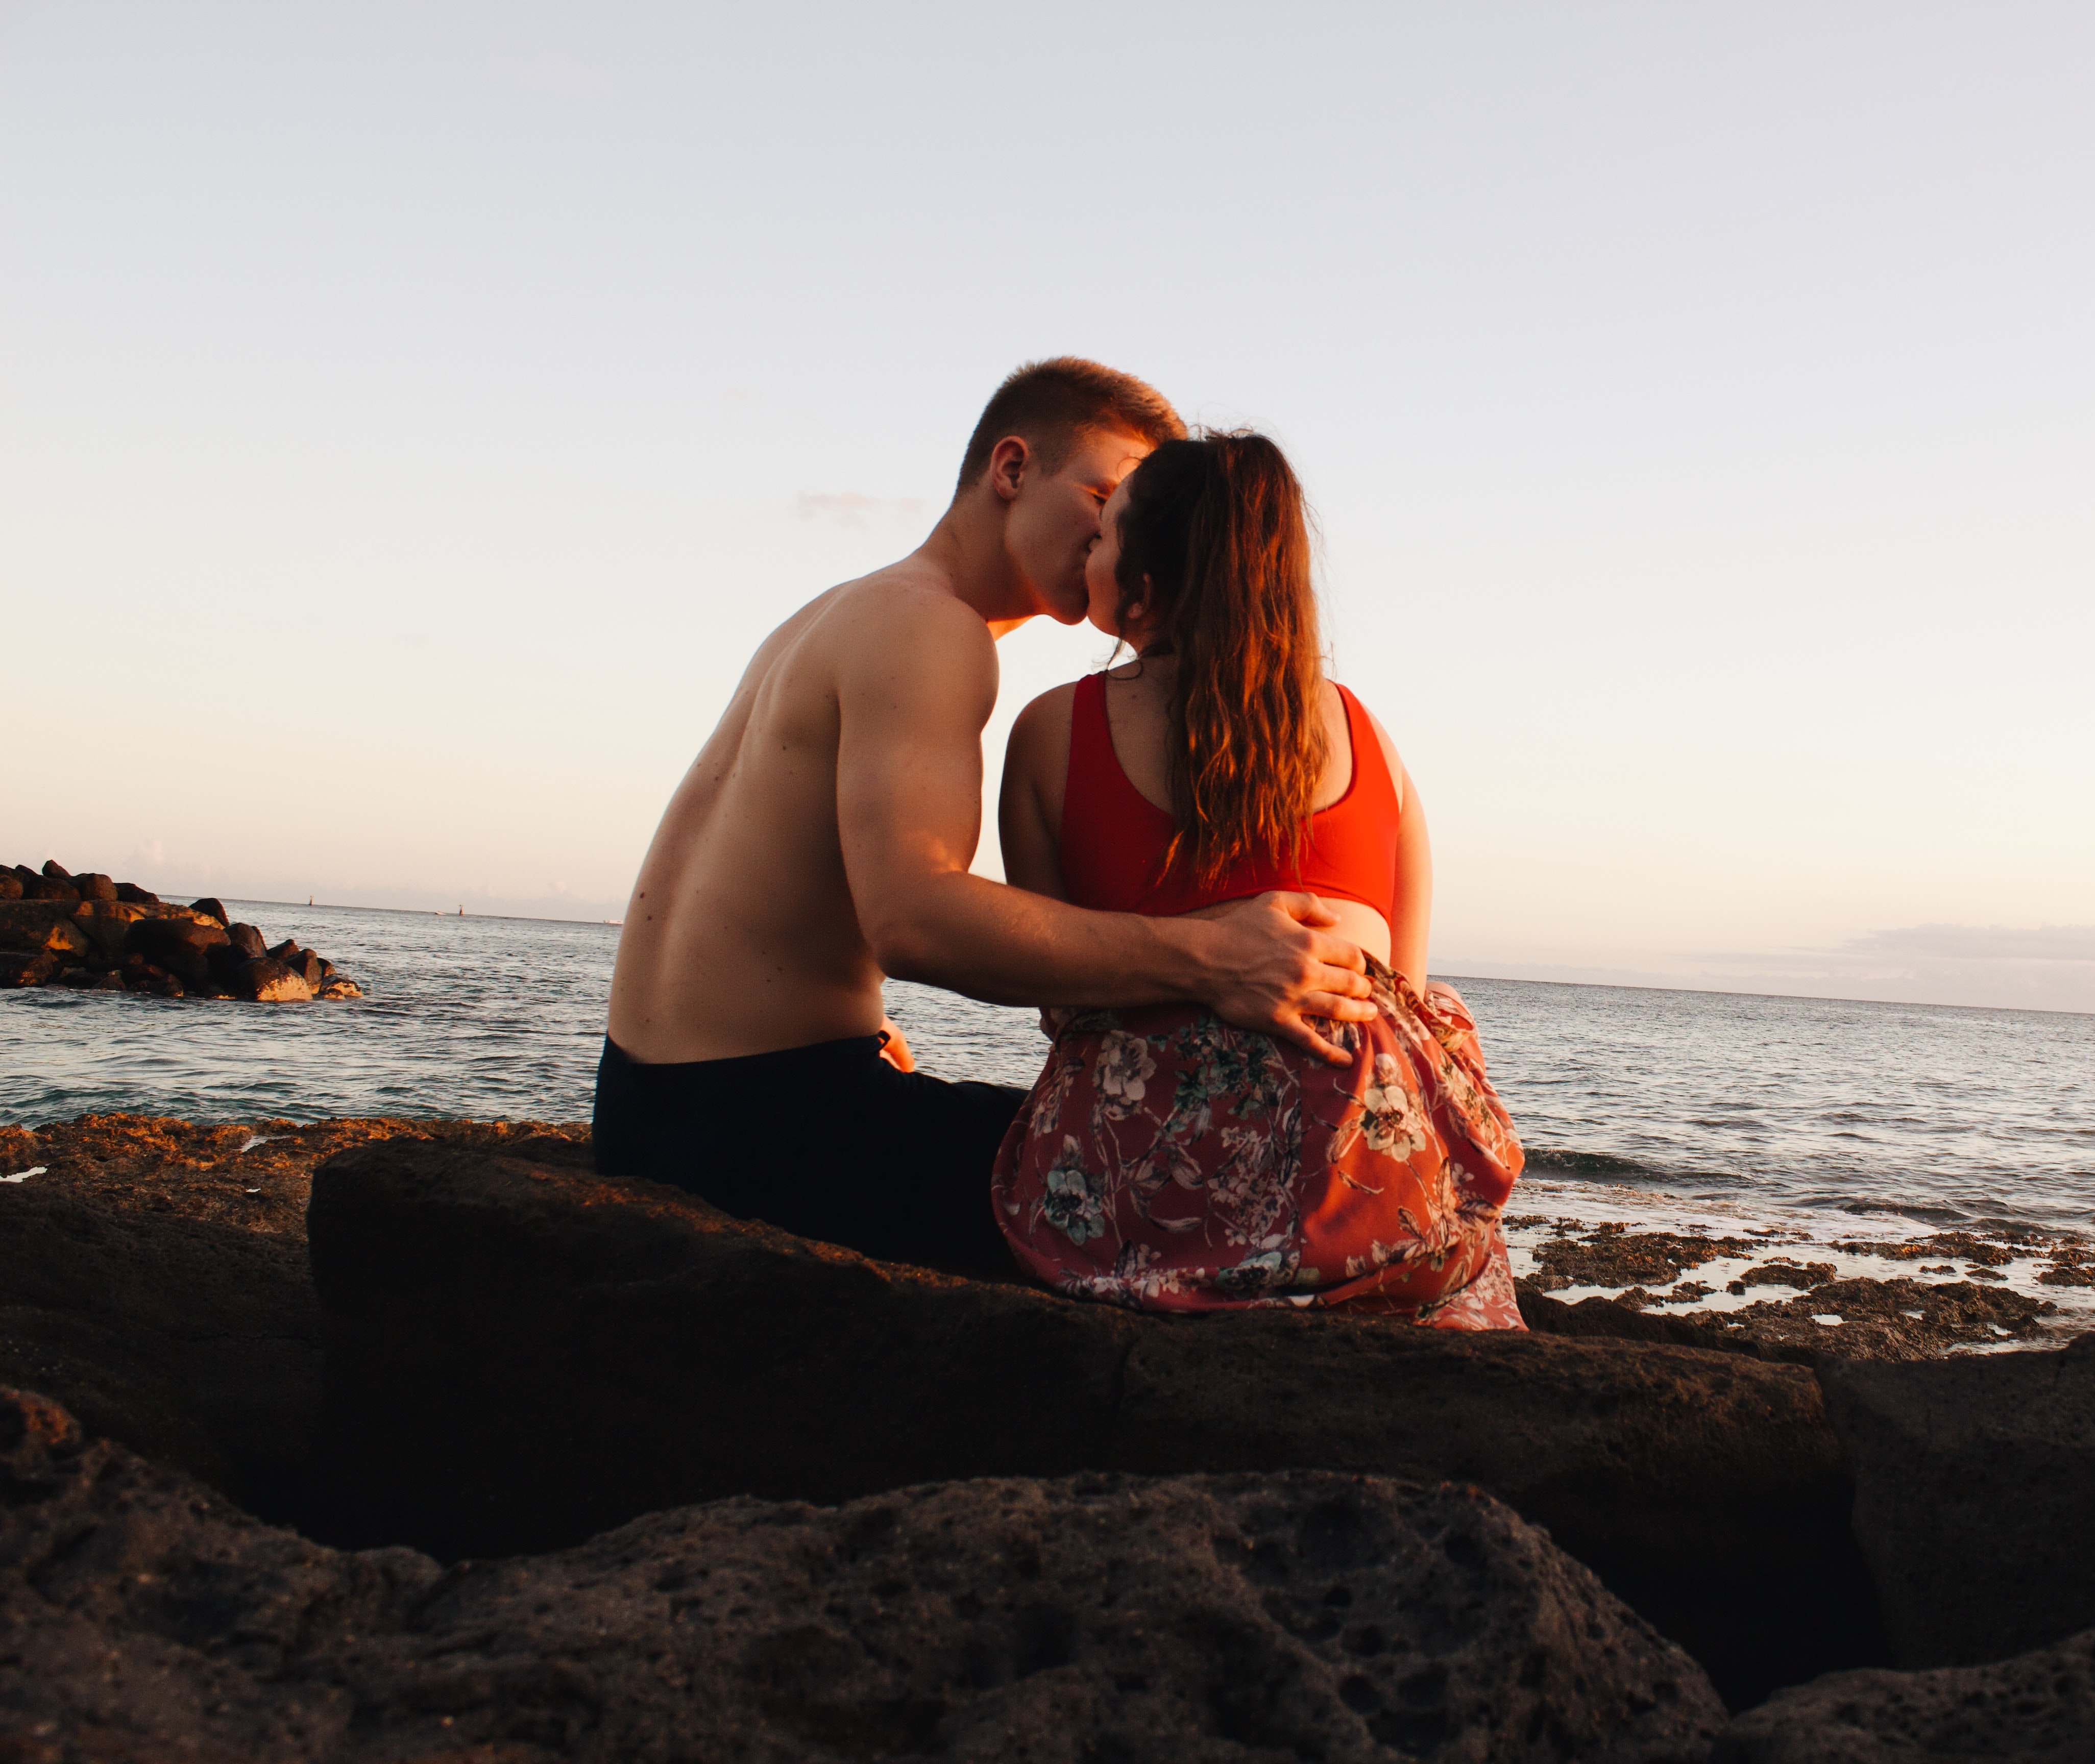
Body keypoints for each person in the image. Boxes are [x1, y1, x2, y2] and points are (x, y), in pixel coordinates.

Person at [594, 361, 1381, 1279]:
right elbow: (915, 921)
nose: (1117, 527)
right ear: (1012, 469)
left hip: (660, 1100)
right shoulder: (935, 630)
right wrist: (1215, 957)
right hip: (757, 1134)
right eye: (1103, 491)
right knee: (1182, 1190)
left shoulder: (850, 610)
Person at [991, 432, 1525, 1329]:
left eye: (1106, 538)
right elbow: (1406, 1001)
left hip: (1137, 1211)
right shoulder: (1372, 742)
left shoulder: (1052, 733)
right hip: (1368, 1209)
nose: (1090, 550)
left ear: (1146, 593)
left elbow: (1059, 1000)